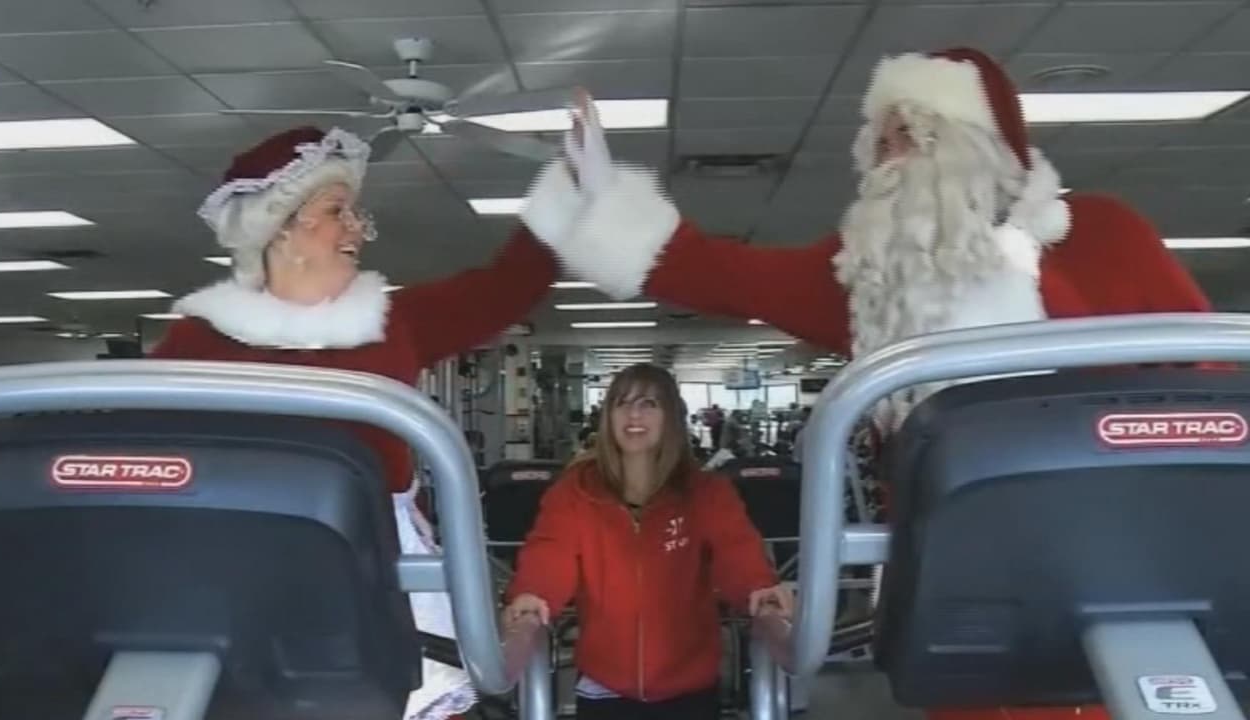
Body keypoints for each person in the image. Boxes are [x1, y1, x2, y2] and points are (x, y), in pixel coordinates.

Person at [523, 48, 1213, 720]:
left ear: (980, 143)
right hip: (964, 588)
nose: (894, 158)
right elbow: (727, 274)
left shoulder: (1097, 236)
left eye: (914, 134)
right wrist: (601, 197)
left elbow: (1210, 395)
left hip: (1123, 572)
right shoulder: (871, 280)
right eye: (882, 142)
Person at [149, 125, 577, 720]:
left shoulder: (390, 319)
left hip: (380, 566)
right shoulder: (195, 340)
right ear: (280, 226)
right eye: (337, 211)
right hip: (239, 568)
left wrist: (570, 191)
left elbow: (506, 289)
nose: (358, 229)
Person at [502, 364, 793, 720]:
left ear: (670, 416)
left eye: (649, 404)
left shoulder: (706, 492)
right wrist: (534, 592)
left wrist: (758, 587)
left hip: (689, 686)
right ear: (607, 416)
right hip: (605, 684)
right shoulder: (575, 492)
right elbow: (550, 551)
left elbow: (735, 547)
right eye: (622, 403)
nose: (634, 414)